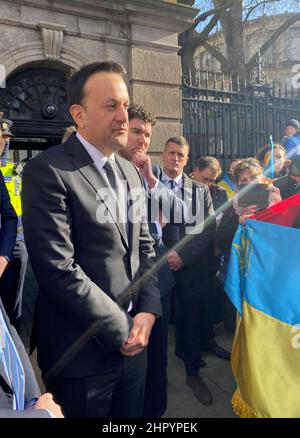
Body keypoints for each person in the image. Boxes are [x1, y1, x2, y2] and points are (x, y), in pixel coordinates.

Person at [22, 61, 161, 418]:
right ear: (79, 114)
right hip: (80, 357)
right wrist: (123, 328)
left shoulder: (130, 171)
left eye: (126, 106)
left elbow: (145, 246)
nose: (123, 116)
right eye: (111, 105)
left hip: (135, 350)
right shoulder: (48, 171)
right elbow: (58, 268)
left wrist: (148, 310)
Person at [154, 136, 230, 406]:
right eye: (171, 152)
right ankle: (155, 374)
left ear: (187, 160)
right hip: (154, 266)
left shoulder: (200, 190)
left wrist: (182, 256)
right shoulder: (144, 184)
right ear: (163, 155)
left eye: (180, 155)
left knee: (192, 320)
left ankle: (193, 372)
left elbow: (207, 229)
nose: (175, 158)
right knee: (156, 323)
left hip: (190, 267)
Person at [119, 103, 174, 418]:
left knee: (156, 362)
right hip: (121, 284)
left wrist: (150, 179)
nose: (141, 140)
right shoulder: (105, 172)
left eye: (147, 135)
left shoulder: (151, 175)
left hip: (156, 279)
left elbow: (169, 218)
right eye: (136, 131)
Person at [0, 115, 28, 333]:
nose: (4, 141)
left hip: (17, 240)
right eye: (2, 137)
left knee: (14, 303)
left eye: (6, 138)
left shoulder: (16, 169)